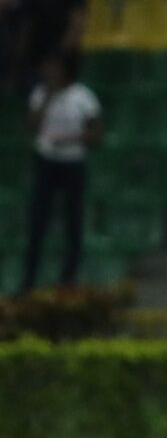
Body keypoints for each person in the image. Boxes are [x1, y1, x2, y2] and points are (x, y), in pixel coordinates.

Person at [18, 54, 99, 294]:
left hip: (72, 163)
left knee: (73, 222)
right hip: (46, 163)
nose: (48, 71)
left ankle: (68, 279)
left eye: (52, 66)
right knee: (37, 222)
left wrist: (67, 140)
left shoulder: (83, 98)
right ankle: (28, 281)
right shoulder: (40, 95)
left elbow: (95, 135)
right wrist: (47, 99)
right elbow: (31, 126)